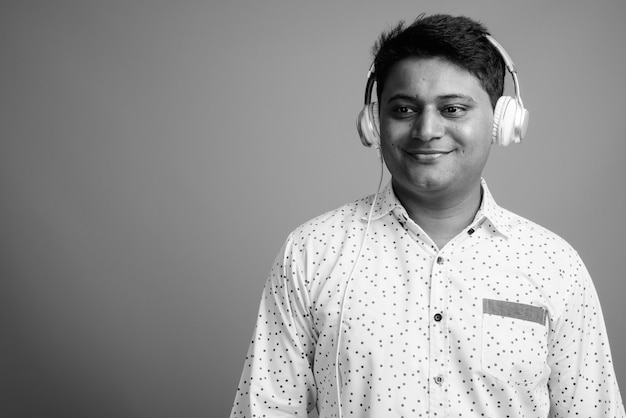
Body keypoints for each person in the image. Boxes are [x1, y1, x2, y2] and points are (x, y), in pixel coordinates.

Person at [230, 13, 625, 417]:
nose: (426, 130)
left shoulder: (554, 265)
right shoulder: (312, 252)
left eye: (453, 109)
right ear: (373, 122)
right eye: (403, 109)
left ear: (501, 122)